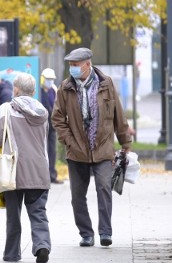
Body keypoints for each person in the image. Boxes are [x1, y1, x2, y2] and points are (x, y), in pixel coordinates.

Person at [52, 47, 132, 248]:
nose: (73, 69)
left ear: (88, 65)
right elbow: (57, 119)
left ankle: (105, 232)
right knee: (77, 196)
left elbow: (118, 115)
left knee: (104, 188)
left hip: (102, 148)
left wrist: (125, 142)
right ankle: (86, 233)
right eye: (71, 65)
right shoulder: (65, 87)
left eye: (76, 65)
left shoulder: (106, 84)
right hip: (76, 150)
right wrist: (69, 141)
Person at [0, 73, 52, 263]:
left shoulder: (6, 109)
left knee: (13, 214)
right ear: (33, 91)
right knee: (38, 212)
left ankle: (12, 253)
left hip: (14, 170)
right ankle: (42, 245)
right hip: (39, 169)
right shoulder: (42, 111)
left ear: (15, 90)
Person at [39, 67, 62, 184]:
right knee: (42, 151)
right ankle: (43, 176)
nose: (50, 81)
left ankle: (52, 175)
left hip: (52, 125)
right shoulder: (38, 91)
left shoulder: (54, 90)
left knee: (52, 151)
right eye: (48, 79)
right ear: (43, 79)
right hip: (41, 126)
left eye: (52, 79)